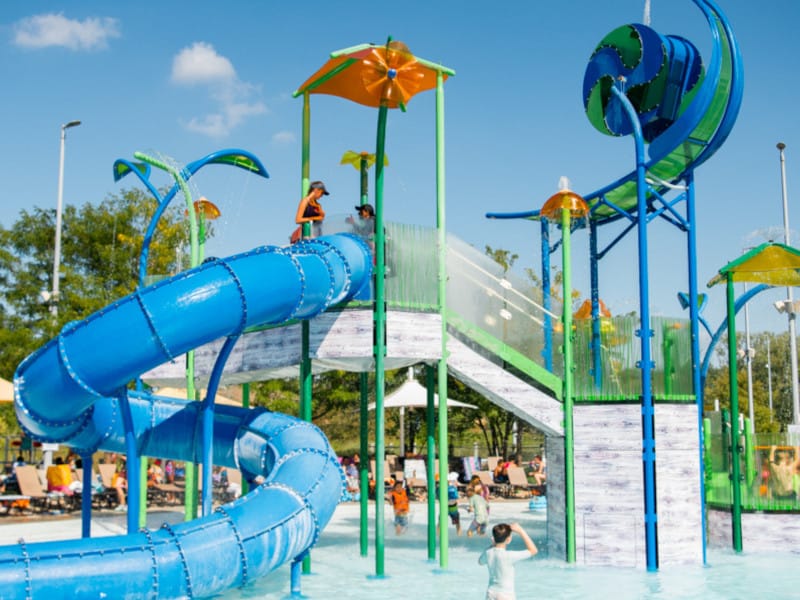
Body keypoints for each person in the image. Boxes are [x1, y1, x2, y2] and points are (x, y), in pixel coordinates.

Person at [479, 522, 538, 600]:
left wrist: (492, 545)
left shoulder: (488, 553)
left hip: (491, 594)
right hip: (506, 595)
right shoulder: (509, 556)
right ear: (508, 539)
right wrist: (521, 531)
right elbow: (533, 550)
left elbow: (480, 562)